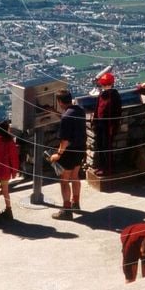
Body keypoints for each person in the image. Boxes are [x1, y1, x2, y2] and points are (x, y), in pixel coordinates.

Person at [49, 90, 87, 220]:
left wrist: (57, 155)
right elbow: (70, 121)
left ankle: (67, 210)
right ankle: (75, 203)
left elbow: (64, 141)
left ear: (59, 102)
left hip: (69, 152)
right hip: (81, 149)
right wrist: (57, 114)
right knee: (75, 176)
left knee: (64, 181)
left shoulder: (66, 117)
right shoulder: (79, 110)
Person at [92, 71, 122, 176]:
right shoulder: (102, 94)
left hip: (108, 125)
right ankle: (101, 166)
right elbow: (97, 108)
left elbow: (117, 113)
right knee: (100, 146)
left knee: (107, 147)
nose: (103, 86)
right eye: (102, 84)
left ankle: (108, 169)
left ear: (110, 84)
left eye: (105, 84)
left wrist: (113, 127)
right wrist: (94, 120)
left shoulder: (114, 96)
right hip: (100, 124)